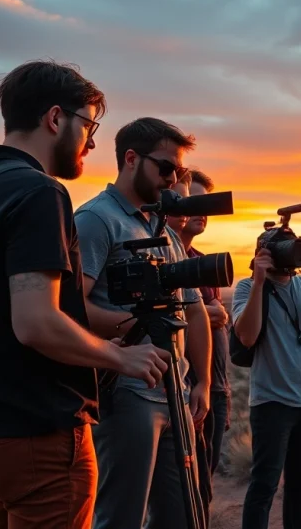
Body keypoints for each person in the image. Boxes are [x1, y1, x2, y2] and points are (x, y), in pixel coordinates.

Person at [0, 60, 169, 529]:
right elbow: (36, 322)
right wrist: (119, 357)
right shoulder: (39, 192)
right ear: (54, 119)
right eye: (88, 125)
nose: (90, 142)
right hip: (40, 430)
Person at [75, 117, 212, 529]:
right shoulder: (96, 220)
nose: (174, 180)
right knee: (122, 516)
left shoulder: (161, 229)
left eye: (180, 172)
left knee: (182, 516)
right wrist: (131, 328)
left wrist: (201, 381)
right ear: (131, 159)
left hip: (176, 392)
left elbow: (193, 309)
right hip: (128, 393)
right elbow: (71, 308)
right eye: (167, 168)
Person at [231, 227, 301, 529]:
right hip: (271, 404)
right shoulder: (245, 288)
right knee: (264, 487)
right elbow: (247, 336)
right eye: (285, 249)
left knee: (300, 485)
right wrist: (258, 283)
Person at [175, 169, 232, 511]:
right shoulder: (166, 258)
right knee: (187, 487)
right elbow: (206, 314)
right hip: (187, 384)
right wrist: (202, 311)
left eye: (206, 205)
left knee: (205, 482)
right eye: (194, 202)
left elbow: (220, 316)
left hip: (216, 385)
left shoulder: (202, 263)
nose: (202, 213)